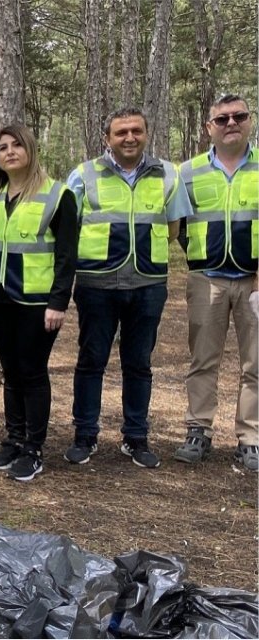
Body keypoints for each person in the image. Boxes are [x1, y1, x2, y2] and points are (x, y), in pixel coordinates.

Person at [65, 107, 188, 470]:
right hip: (96, 284)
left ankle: (136, 437)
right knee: (91, 362)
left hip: (148, 284)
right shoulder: (84, 174)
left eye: (136, 131)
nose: (129, 137)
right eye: (121, 132)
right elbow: (67, 227)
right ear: (108, 138)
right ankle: (85, 435)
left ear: (146, 134)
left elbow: (175, 227)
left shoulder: (167, 174)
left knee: (139, 364)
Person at [0, 124, 79, 482]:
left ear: (30, 149)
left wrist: (58, 302)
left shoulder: (58, 195)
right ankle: (14, 438)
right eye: (2, 147)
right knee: (11, 371)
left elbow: (67, 255)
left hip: (38, 301)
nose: (9, 152)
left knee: (32, 371)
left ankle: (34, 448)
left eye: (16, 145)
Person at [172, 93, 258, 471]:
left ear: (250, 121)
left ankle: (250, 438)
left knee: (254, 364)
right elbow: (178, 226)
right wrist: (195, 260)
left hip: (254, 281)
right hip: (206, 279)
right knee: (202, 360)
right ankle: (198, 430)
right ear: (209, 127)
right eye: (221, 119)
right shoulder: (188, 172)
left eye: (238, 116)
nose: (230, 124)